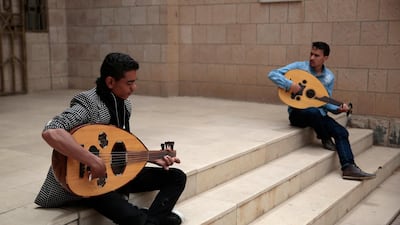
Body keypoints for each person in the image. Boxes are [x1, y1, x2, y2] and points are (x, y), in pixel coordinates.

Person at [35, 52, 187, 225]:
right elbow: (51, 131)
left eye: (134, 82)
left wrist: (151, 157)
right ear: (110, 82)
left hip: (114, 175)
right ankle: (157, 220)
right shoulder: (88, 103)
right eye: (129, 83)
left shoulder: (125, 105)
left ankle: (152, 220)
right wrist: (92, 160)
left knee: (177, 177)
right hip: (86, 182)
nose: (134, 87)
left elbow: (115, 149)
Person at [268, 41, 376, 181]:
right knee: (312, 111)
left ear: (325, 58)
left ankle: (348, 167)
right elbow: (272, 74)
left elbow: (325, 102)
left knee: (342, 132)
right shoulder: (299, 67)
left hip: (318, 114)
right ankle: (324, 137)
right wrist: (290, 85)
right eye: (311, 54)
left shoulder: (329, 77)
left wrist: (338, 108)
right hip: (298, 113)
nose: (312, 58)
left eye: (317, 55)